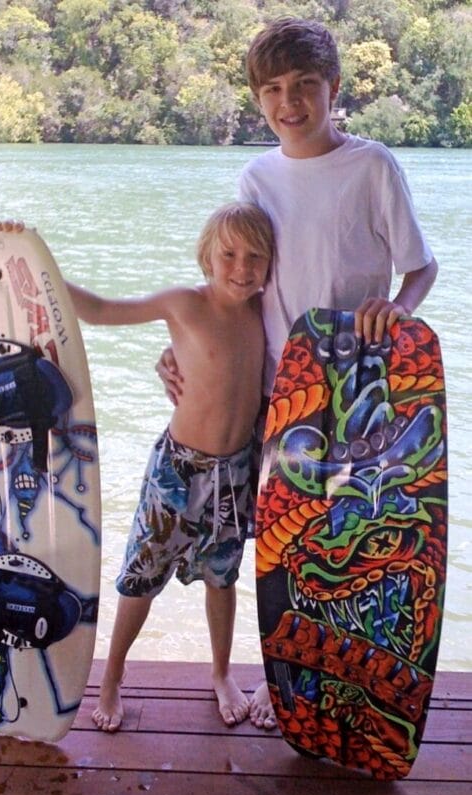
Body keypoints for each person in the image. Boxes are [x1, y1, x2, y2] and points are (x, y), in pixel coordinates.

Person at [156, 17, 438, 729]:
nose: (290, 102)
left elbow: (421, 266)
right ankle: (290, 685)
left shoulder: (371, 166)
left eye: (305, 86)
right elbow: (239, 281)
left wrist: (396, 307)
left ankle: (359, 690)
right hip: (280, 396)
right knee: (286, 551)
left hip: (362, 394)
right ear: (259, 100)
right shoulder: (255, 176)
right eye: (274, 89)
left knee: (352, 548)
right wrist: (187, 347)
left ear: (333, 88)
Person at [0, 202, 274, 732]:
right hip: (177, 470)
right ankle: (112, 678)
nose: (243, 267)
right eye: (230, 254)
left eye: (256, 257)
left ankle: (220, 674)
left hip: (233, 476)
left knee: (222, 578)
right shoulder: (184, 304)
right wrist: (33, 257)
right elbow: (101, 310)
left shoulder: (264, 314)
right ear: (206, 257)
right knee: (141, 580)